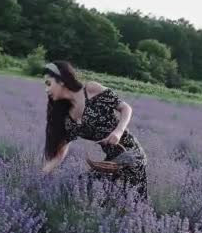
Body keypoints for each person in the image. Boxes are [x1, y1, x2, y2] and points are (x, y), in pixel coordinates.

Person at [41, 61, 148, 202]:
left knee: (134, 204)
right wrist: (43, 173)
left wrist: (118, 131)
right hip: (110, 161)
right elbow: (60, 153)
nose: (46, 89)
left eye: (49, 84)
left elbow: (126, 108)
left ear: (61, 81)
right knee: (81, 187)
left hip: (132, 154)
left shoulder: (90, 90)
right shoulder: (67, 118)